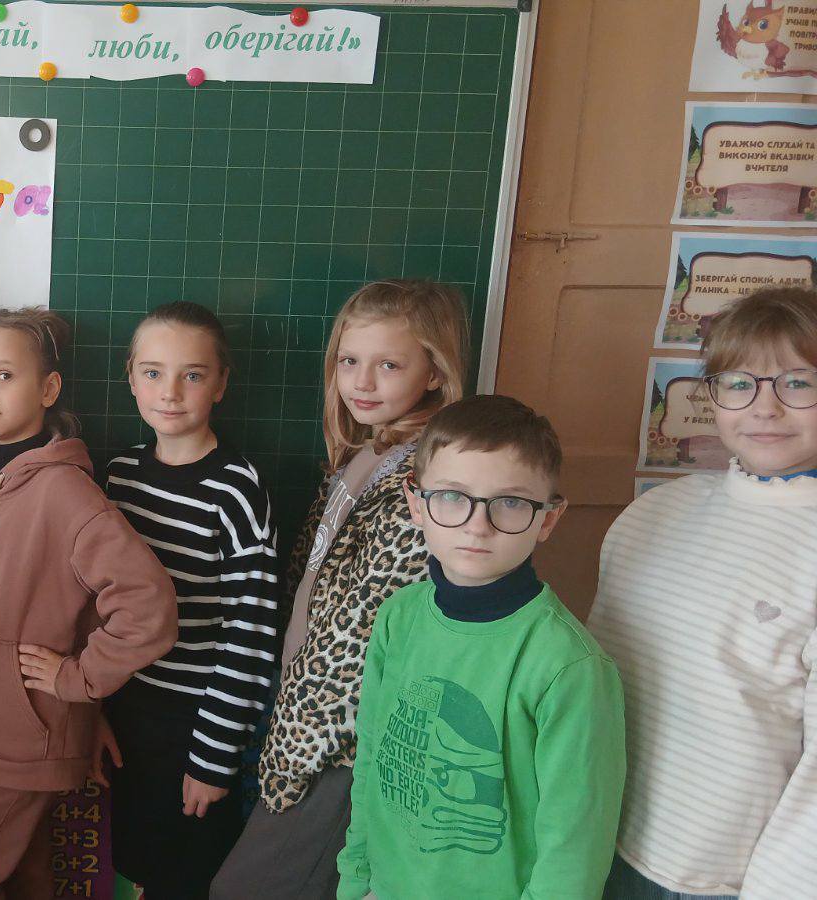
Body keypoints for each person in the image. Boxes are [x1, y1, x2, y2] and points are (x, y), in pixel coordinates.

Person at [214, 279, 470, 900]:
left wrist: (300, 752)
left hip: (341, 744)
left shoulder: (424, 482)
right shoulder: (367, 455)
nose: (362, 381)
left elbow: (356, 644)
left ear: (435, 373)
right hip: (300, 714)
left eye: (389, 365)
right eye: (349, 361)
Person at [0, 307, 177, 900]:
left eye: (4, 375)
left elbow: (149, 610)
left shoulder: (68, 495)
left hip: (23, 742)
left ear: (48, 388)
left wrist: (78, 681)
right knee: (24, 870)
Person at [336, 394, 625, 899]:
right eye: (452, 496)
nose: (477, 525)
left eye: (510, 502)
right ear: (417, 504)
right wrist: (357, 879)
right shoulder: (399, 617)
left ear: (548, 519)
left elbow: (574, 848)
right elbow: (374, 761)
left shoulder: (568, 665)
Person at [590, 286, 817, 900]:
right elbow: (595, 688)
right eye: (739, 383)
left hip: (722, 882)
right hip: (596, 840)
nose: (765, 408)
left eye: (798, 383)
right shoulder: (653, 515)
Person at [100, 301, 280, 898]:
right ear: (130, 378)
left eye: (193, 375)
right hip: (127, 714)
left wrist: (213, 757)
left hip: (197, 723)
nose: (170, 392)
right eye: (152, 372)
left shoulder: (237, 490)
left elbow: (250, 634)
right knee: (133, 865)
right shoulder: (118, 477)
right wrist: (94, 711)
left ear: (221, 383)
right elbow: (95, 604)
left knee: (186, 877)